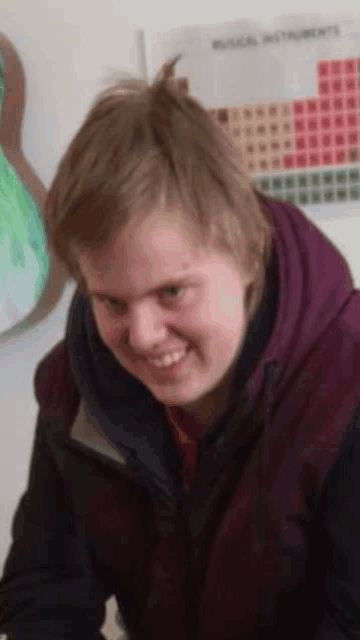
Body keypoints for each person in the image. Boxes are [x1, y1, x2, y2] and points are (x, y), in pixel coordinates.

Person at [0, 55, 359, 640]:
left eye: (172, 291)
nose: (141, 336)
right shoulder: (72, 387)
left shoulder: (347, 381)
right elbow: (45, 588)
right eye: (111, 301)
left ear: (247, 255)